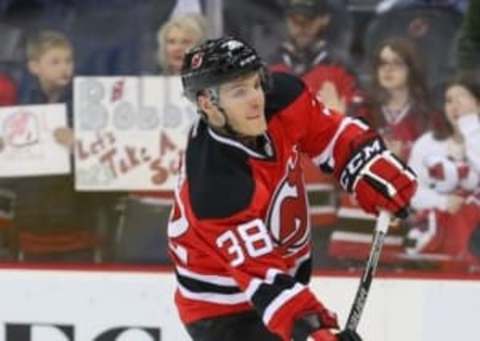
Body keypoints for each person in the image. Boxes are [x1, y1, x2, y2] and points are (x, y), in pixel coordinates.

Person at [168, 36, 417, 341]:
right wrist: (315, 331)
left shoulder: (280, 99)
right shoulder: (215, 185)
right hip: (224, 312)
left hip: (281, 278)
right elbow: (264, 278)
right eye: (239, 92)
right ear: (208, 103)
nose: (256, 98)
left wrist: (368, 164)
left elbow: (329, 133)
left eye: (255, 83)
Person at [115, 14, 207, 264]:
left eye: (186, 41)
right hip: (144, 209)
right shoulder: (138, 92)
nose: (177, 47)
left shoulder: (217, 95)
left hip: (193, 211)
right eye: (171, 41)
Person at [406, 73, 480, 271]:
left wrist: (471, 128)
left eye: (461, 98)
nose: (454, 106)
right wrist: (443, 202)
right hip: (435, 242)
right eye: (449, 100)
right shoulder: (428, 143)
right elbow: (410, 191)